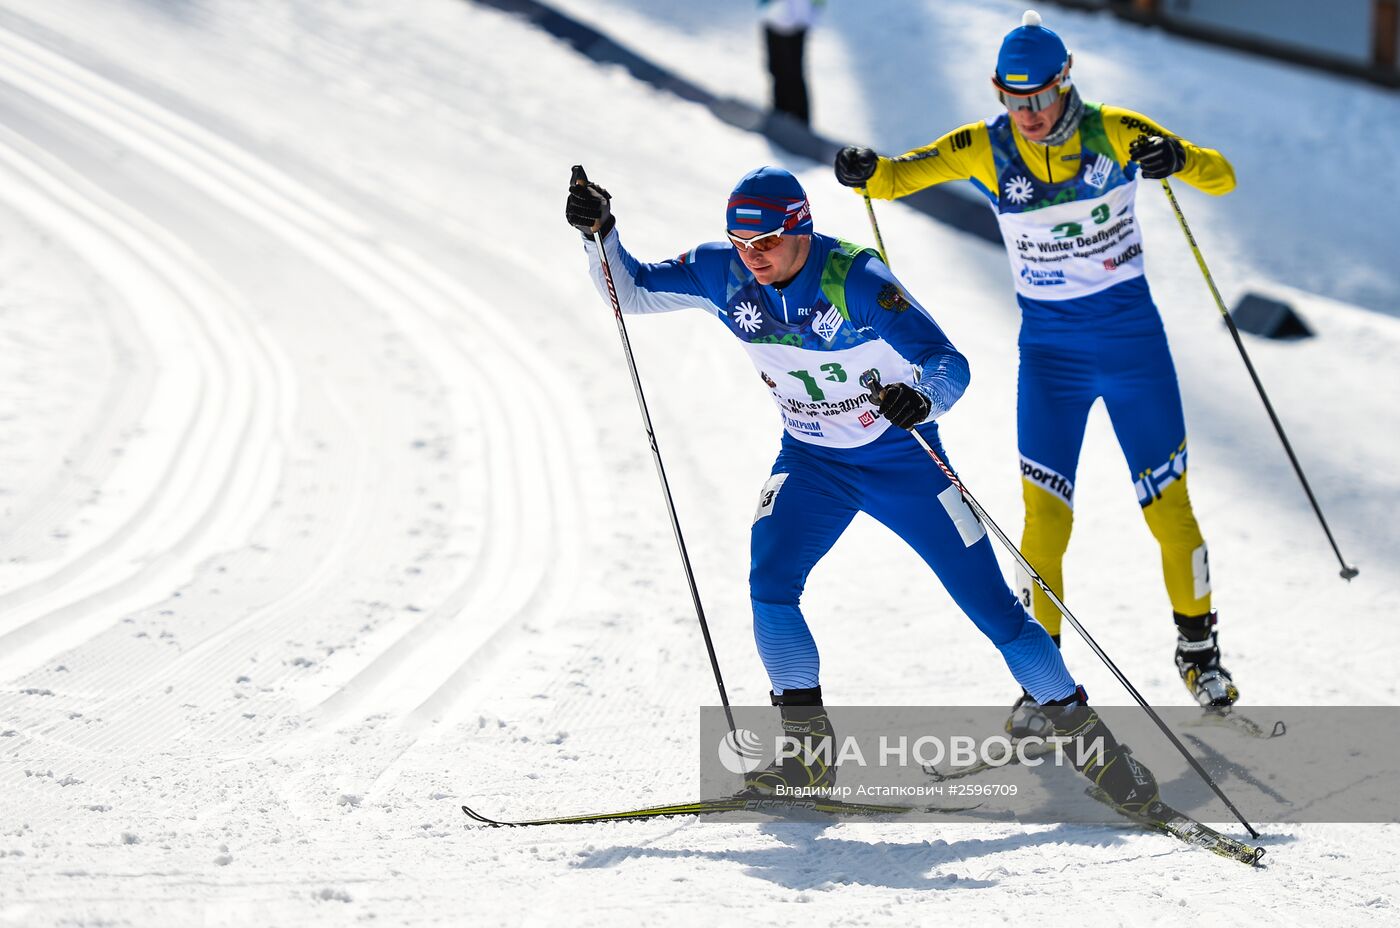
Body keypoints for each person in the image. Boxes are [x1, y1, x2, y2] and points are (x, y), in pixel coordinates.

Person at [564, 164, 1159, 815]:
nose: (752, 256)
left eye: (765, 242)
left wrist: (922, 400)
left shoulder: (856, 280)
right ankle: (807, 758)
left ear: (801, 230)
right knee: (770, 581)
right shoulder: (722, 272)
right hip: (813, 462)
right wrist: (602, 234)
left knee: (996, 612)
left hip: (905, 464)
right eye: (741, 242)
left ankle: (1100, 756)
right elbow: (635, 292)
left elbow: (949, 365)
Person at [834, 10, 1239, 738]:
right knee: (1044, 522)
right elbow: (894, 180)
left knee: (1169, 512)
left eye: (1040, 98)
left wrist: (1174, 159)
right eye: (1012, 100)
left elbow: (1222, 175)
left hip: (1133, 352)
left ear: (1066, 81)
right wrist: (863, 169)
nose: (1027, 115)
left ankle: (1199, 650)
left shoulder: (1113, 132)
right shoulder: (984, 148)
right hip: (1051, 361)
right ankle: (1044, 679)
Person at [760, 0, 824, 125]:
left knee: (793, 73)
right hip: (773, 17)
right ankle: (780, 111)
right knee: (776, 69)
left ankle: (801, 121)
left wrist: (812, 13)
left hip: (795, 22)